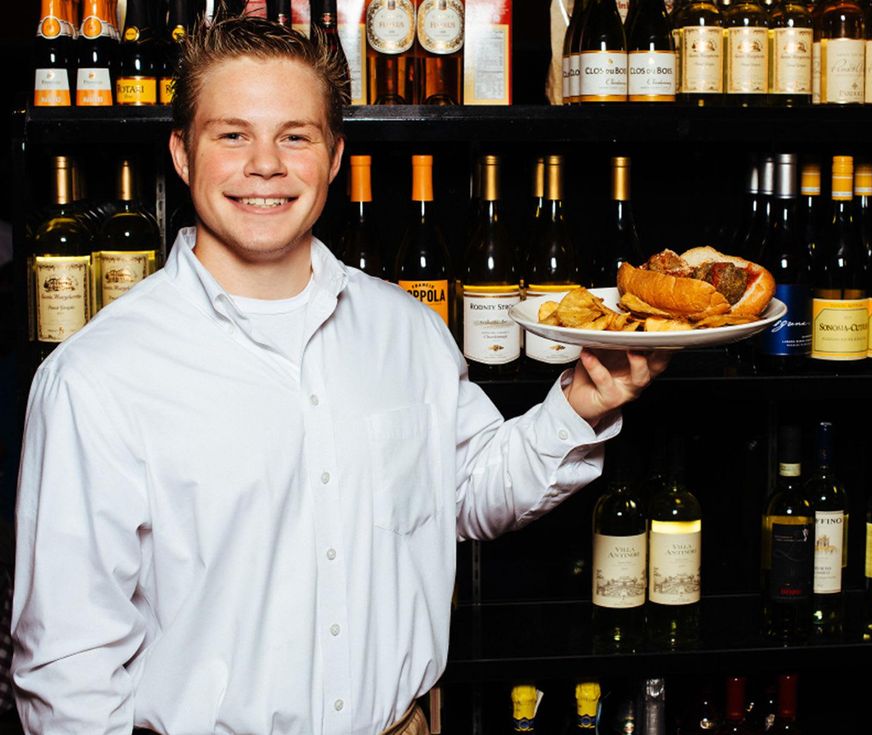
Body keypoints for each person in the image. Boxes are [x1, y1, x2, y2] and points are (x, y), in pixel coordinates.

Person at [11, 15, 670, 735]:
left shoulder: (406, 330)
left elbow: (470, 490)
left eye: (295, 136)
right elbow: (69, 672)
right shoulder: (97, 377)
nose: (265, 164)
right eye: (232, 135)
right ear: (181, 153)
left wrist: (582, 402)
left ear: (333, 157)